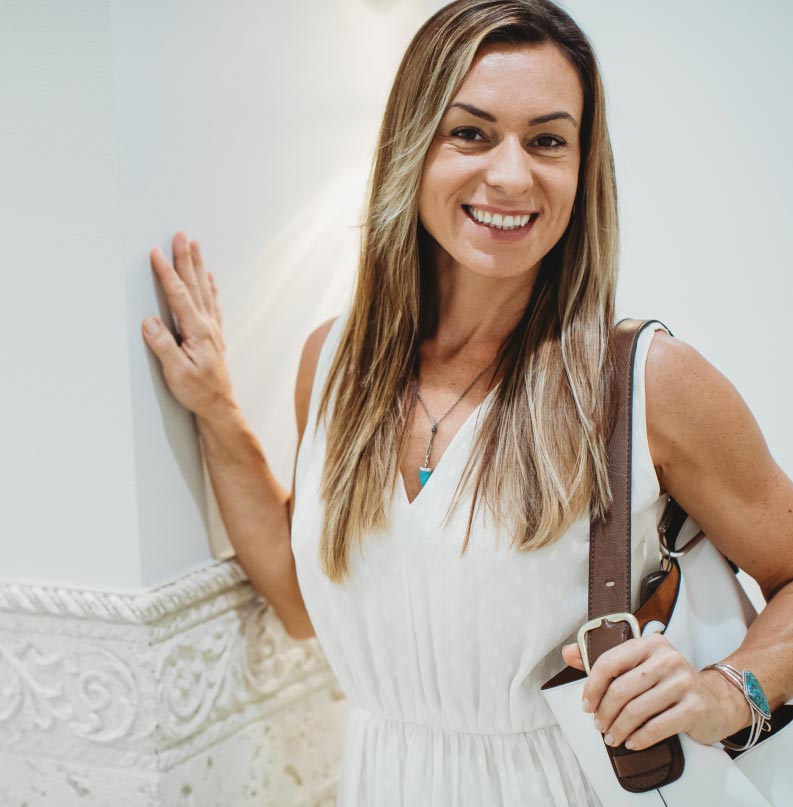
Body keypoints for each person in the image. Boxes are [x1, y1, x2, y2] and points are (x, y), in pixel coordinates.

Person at [141, 1, 793, 804]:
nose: (511, 174)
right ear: (411, 148)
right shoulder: (335, 363)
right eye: (471, 133)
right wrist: (213, 409)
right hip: (382, 780)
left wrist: (727, 693)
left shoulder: (645, 381)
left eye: (547, 140)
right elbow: (298, 599)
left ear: (582, 168)